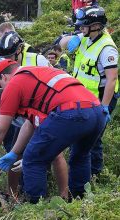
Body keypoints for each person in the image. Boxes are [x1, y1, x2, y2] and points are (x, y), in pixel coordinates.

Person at [0, 59, 106, 203]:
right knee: (80, 156)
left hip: (71, 112)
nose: (1, 89)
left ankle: (36, 208)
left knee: (32, 160)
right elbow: (29, 124)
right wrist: (14, 153)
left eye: (0, 84)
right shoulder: (37, 76)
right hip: (97, 110)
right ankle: (80, 202)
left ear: (4, 77)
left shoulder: (14, 83)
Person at [0, 89, 68, 198]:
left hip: (42, 124)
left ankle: (64, 194)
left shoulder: (29, 107)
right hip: (23, 128)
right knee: (13, 156)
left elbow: (39, 134)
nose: (3, 113)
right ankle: (11, 194)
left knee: (56, 155)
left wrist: (30, 156)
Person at [60, 6, 118, 175]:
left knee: (94, 140)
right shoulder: (86, 37)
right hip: (84, 98)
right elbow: (62, 43)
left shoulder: (107, 48)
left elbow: (112, 79)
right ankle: (83, 171)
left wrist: (105, 106)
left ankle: (95, 174)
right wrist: (70, 39)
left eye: (84, 26)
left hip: (101, 99)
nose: (80, 28)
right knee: (81, 137)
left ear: (96, 26)